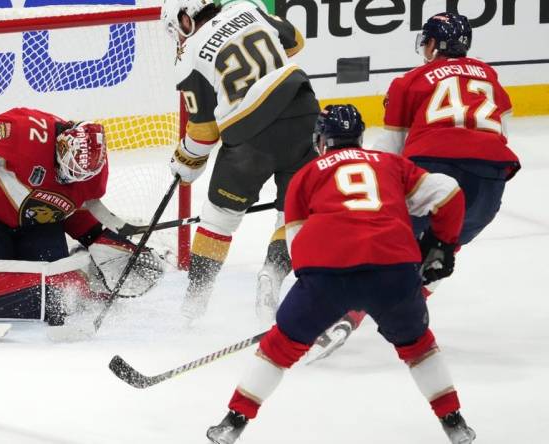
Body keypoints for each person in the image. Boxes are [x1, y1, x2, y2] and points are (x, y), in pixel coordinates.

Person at [205, 105, 475, 444]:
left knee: (279, 348)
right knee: (418, 346)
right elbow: (448, 191)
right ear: (359, 137)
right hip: (393, 268)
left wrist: (315, 297)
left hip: (327, 274)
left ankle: (234, 421)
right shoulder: (391, 164)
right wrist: (442, 244)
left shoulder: (307, 173)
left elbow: (297, 243)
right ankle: (454, 422)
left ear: (320, 140)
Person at [310, 11, 521, 361]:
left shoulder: (409, 81)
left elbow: (391, 149)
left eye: (427, 41)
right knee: (442, 251)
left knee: (384, 246)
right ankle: (405, 313)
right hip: (490, 186)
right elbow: (501, 130)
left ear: (434, 44)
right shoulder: (490, 77)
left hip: (435, 172)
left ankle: (343, 316)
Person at [0, 107, 163, 325]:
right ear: (62, 144)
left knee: (56, 294)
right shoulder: (25, 132)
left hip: (39, 227)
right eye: (65, 170)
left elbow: (67, 208)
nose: (66, 179)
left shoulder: (93, 176)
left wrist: (95, 236)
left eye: (76, 177)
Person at [160, 0, 319, 324]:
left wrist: (186, 163)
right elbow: (296, 41)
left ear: (185, 21)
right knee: (292, 213)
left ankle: (194, 303)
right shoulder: (249, 8)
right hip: (303, 113)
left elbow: (204, 131)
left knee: (219, 219)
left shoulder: (189, 56)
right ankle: (272, 276)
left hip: (249, 138)